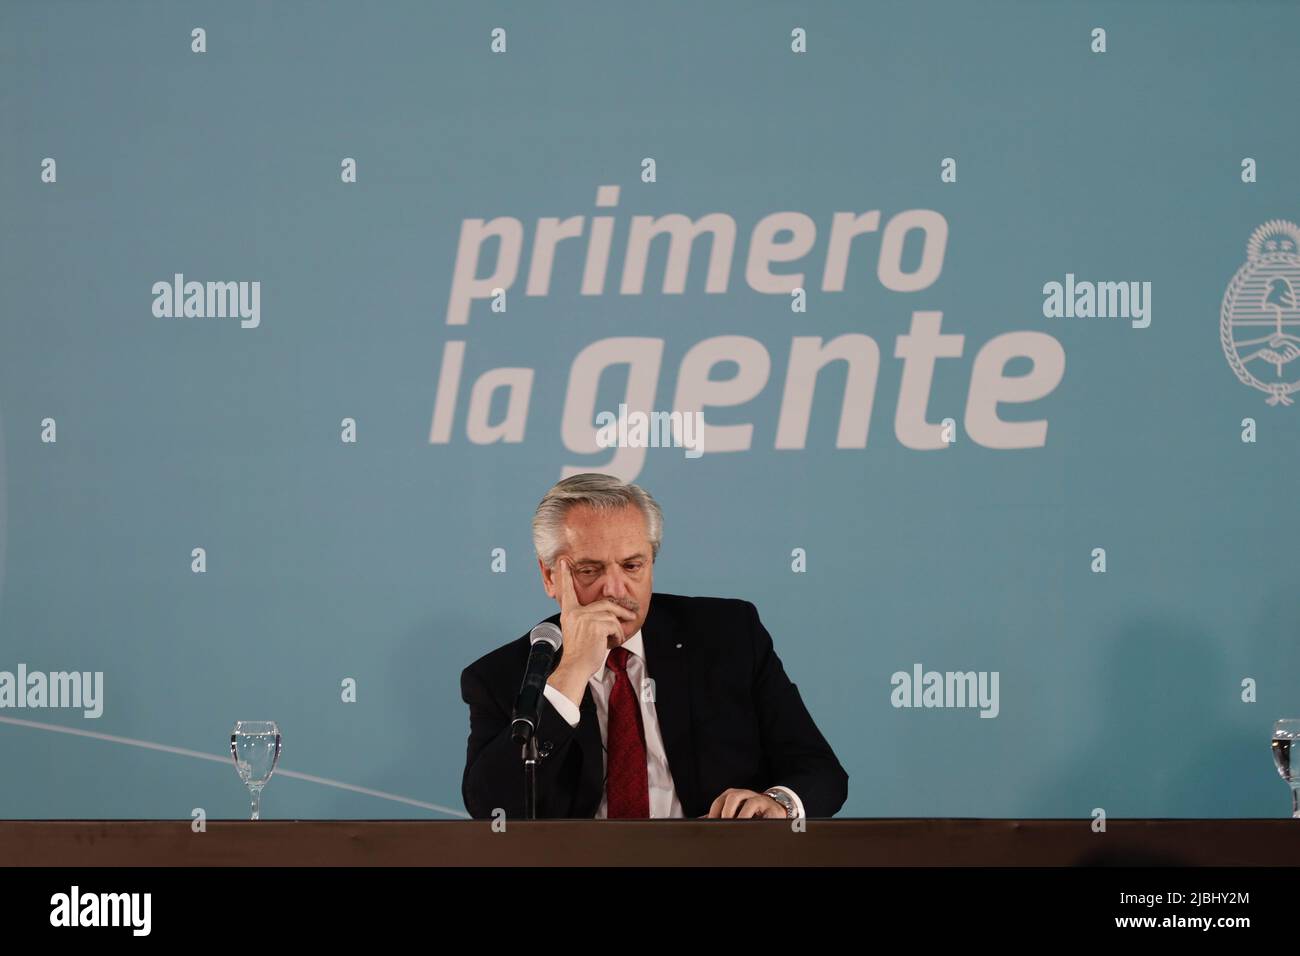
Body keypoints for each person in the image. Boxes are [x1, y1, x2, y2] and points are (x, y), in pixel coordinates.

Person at [460, 473, 849, 819]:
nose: (615, 589)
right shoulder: (502, 676)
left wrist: (777, 803)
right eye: (590, 570)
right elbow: (492, 808)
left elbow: (819, 770)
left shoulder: (727, 636)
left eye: (632, 566)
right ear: (549, 578)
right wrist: (571, 672)